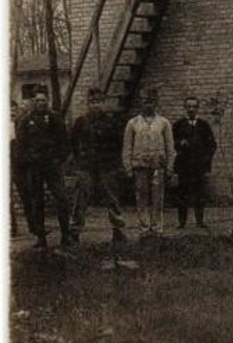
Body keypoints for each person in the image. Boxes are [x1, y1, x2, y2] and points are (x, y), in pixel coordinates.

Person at [16, 87, 73, 249]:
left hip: (52, 166)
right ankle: (41, 238)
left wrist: (59, 159)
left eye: (43, 100)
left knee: (61, 198)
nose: (40, 103)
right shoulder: (26, 120)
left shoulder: (55, 119)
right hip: (34, 168)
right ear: (34, 102)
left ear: (47, 101)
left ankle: (66, 235)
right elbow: (21, 146)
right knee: (37, 201)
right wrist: (29, 161)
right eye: (37, 100)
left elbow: (64, 142)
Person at [70, 87, 126, 242]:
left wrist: (116, 163)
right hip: (86, 165)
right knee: (80, 198)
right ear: (88, 104)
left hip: (107, 165)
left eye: (99, 102)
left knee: (112, 198)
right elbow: (74, 144)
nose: (96, 105)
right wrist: (78, 162)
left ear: (105, 103)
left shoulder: (111, 122)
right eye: (93, 102)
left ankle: (118, 230)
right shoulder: (81, 122)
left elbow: (118, 144)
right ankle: (75, 231)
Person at [122, 88, 174, 236]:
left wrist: (169, 166)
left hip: (158, 165)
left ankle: (157, 228)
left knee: (158, 197)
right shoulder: (133, 123)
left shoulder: (163, 123)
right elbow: (127, 147)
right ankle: (144, 228)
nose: (148, 105)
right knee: (142, 196)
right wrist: (128, 166)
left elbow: (170, 147)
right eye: (145, 102)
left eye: (151, 102)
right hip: (140, 166)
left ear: (156, 103)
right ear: (141, 103)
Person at [172, 96, 217, 229]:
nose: (191, 109)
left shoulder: (204, 125)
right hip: (183, 166)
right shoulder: (178, 125)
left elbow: (212, 145)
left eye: (194, 106)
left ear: (198, 108)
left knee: (200, 194)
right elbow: (171, 143)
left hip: (199, 166)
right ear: (185, 108)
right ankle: (182, 222)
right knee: (182, 195)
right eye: (188, 107)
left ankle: (200, 221)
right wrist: (179, 143)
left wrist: (206, 159)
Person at [10, 99, 33, 238]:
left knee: (26, 195)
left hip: (20, 165)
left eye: (14, 110)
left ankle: (34, 227)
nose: (11, 113)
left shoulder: (22, 124)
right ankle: (12, 228)